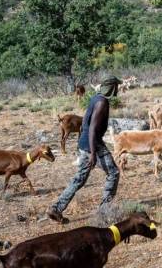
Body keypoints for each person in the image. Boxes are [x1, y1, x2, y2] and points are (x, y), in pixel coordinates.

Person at [46, 77, 121, 224]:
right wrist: (93, 153)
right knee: (113, 172)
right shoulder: (102, 102)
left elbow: (85, 123)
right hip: (93, 144)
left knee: (79, 178)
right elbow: (92, 127)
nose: (117, 90)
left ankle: (56, 208)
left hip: (84, 143)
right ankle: (104, 210)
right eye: (116, 87)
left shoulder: (95, 98)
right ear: (112, 88)